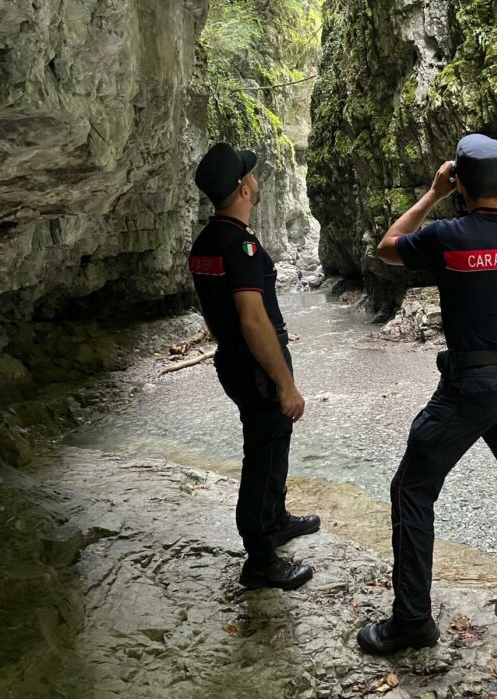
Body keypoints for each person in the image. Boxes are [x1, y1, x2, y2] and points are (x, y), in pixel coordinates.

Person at [358, 134, 497, 654]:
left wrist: (431, 195)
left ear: (460, 185)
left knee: (412, 489)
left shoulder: (447, 235)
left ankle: (411, 624)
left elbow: (387, 248)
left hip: (469, 387)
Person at [190, 142, 319, 590]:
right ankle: (260, 559)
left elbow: (214, 312)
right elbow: (252, 316)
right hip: (257, 365)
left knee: (271, 441)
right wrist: (285, 382)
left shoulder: (206, 241)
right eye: (251, 174)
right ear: (244, 188)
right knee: (262, 454)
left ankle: (276, 518)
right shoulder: (239, 245)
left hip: (234, 359)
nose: (255, 179)